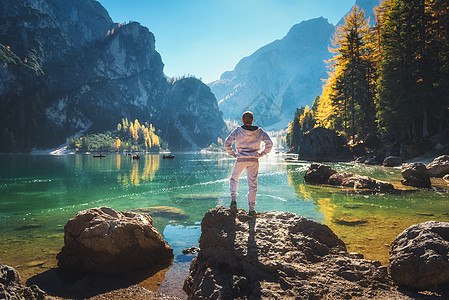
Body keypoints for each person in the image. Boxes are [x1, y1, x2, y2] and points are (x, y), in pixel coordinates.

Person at [224, 111, 273, 217]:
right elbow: (270, 143)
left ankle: (233, 202)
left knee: (234, 179)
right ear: (252, 121)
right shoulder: (260, 131)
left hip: (241, 159)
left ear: (242, 121)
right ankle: (251, 210)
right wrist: (261, 154)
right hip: (254, 160)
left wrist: (233, 154)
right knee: (252, 184)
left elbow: (226, 143)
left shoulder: (237, 130)